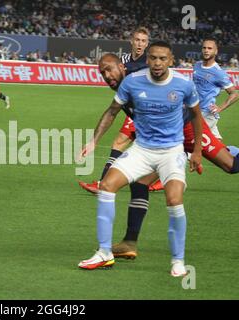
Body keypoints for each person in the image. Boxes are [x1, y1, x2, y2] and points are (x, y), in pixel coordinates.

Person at [78, 41, 203, 277]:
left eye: (162, 59)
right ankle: (105, 252)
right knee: (107, 185)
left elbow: (196, 115)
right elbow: (112, 111)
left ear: (171, 60)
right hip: (142, 150)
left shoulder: (184, 84)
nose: (157, 63)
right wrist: (93, 141)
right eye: (153, 58)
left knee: (174, 200)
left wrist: (196, 151)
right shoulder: (133, 83)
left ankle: (178, 260)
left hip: (171, 151)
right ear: (147, 60)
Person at [79, 27, 150, 193]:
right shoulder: (123, 61)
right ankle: (104, 183)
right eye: (137, 40)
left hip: (150, 114)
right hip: (134, 113)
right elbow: (113, 106)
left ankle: (105, 184)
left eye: (143, 41)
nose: (140, 44)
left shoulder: (149, 63)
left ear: (147, 44)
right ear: (131, 41)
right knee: (120, 143)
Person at [193, 38, 239, 140]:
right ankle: (234, 155)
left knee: (192, 141)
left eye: (210, 48)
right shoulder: (197, 66)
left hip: (207, 113)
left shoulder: (219, 73)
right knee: (218, 147)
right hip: (195, 110)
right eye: (204, 48)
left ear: (216, 51)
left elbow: (235, 94)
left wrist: (220, 108)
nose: (206, 50)